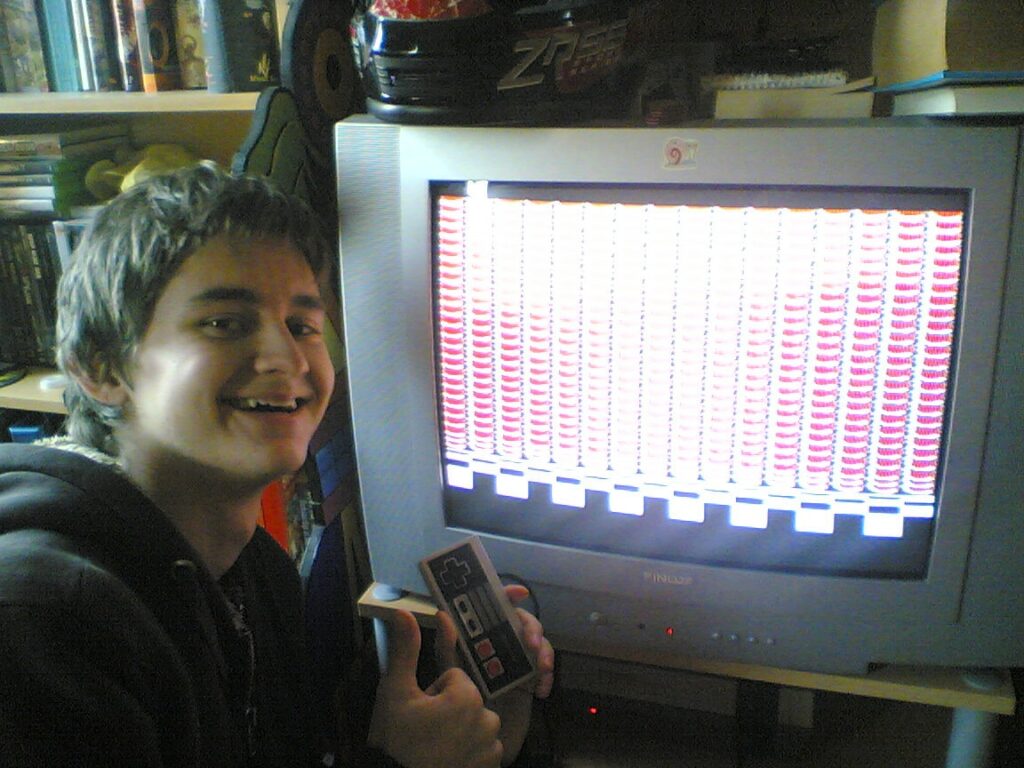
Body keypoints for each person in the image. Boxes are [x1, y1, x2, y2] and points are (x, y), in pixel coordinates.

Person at [0, 163, 554, 767]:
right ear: (100, 366)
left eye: (302, 325)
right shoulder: (42, 625)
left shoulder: (256, 570)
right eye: (224, 324)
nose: (287, 357)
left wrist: (475, 707)